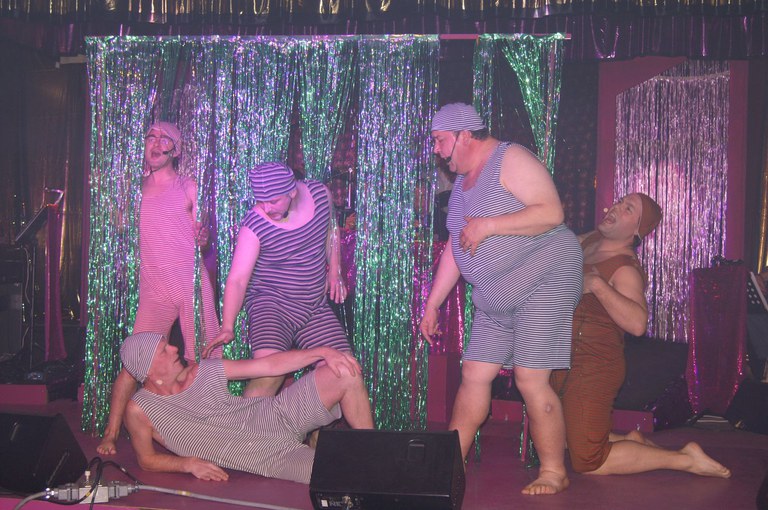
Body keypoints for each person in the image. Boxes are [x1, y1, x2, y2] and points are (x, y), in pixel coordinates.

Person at [420, 103, 583, 496]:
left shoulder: (510, 157)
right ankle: (450, 465)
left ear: (464, 135)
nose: (436, 150)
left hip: (543, 277)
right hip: (495, 293)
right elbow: (456, 248)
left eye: (440, 141)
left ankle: (553, 470)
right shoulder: (462, 184)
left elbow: (552, 212)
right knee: (474, 374)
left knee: (529, 377)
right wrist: (433, 303)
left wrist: (490, 225)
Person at [550, 193, 731, 478]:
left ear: (637, 230)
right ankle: (631, 442)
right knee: (555, 438)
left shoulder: (625, 268)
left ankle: (685, 459)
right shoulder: (588, 241)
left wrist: (597, 284)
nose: (615, 207)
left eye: (628, 209)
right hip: (564, 357)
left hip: (594, 365)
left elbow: (637, 324)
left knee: (588, 461)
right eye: (619, 202)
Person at [97, 121, 221, 455]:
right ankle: (111, 432)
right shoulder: (136, 189)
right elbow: (119, 224)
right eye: (150, 136)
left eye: (164, 139)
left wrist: (204, 237)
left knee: (202, 360)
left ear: (175, 150)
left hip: (189, 284)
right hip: (154, 289)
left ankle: (207, 434)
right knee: (133, 363)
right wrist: (112, 197)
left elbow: (204, 233)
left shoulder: (188, 186)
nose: (155, 143)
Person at [120, 332, 373, 484]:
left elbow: (270, 366)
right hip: (270, 459)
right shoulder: (141, 409)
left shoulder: (202, 371)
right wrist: (187, 464)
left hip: (279, 414)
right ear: (148, 369)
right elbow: (147, 459)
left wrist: (323, 352)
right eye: (164, 350)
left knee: (345, 372)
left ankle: (376, 452)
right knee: (350, 474)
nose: (174, 348)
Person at [204, 162, 349, 397]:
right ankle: (242, 421)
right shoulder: (255, 223)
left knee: (344, 369)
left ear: (292, 192)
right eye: (261, 201)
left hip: (314, 306)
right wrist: (228, 326)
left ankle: (301, 419)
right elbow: (238, 279)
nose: (266, 207)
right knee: (269, 375)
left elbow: (331, 228)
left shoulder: (321, 195)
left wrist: (334, 269)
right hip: (271, 304)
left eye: (273, 201)